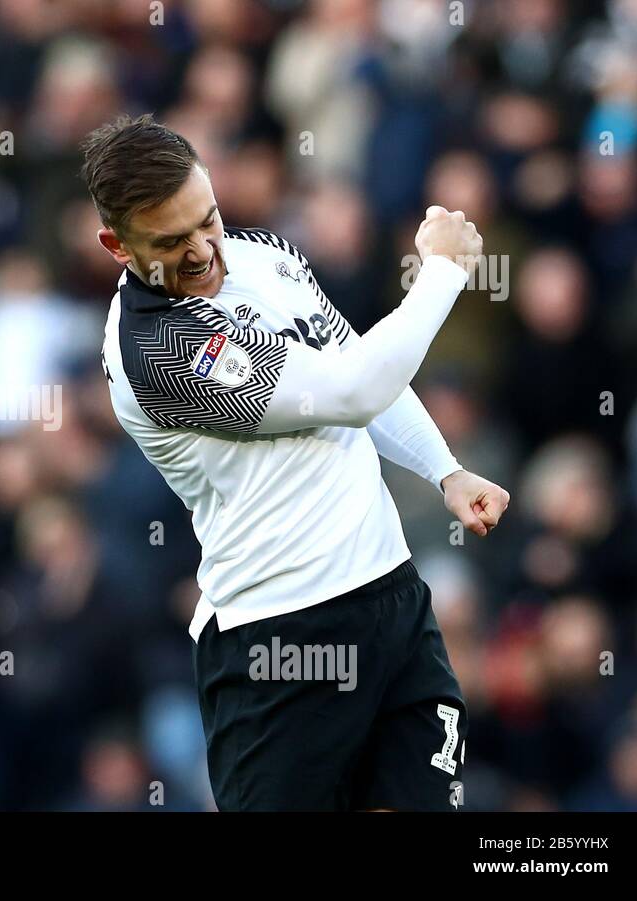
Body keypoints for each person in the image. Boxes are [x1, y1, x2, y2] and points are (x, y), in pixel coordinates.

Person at [82, 114, 510, 811]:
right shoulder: (155, 348)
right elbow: (349, 392)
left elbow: (359, 366)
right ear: (115, 245)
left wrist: (444, 468)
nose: (202, 253)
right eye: (170, 242)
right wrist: (442, 271)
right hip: (279, 637)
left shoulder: (263, 254)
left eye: (207, 220)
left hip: (391, 596)